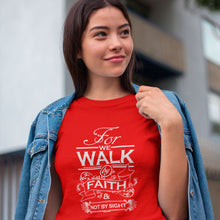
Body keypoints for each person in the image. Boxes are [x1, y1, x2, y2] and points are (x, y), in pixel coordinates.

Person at [15, 0, 214, 219]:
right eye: (101, 34)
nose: (117, 43)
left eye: (124, 32)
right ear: (77, 49)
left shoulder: (162, 106)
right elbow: (44, 211)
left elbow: (176, 213)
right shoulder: (49, 120)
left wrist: (171, 125)